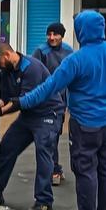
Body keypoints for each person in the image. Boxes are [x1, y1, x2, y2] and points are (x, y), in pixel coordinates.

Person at [4, 10, 106, 210]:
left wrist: (19, 103)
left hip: (85, 123)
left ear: (81, 31)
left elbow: (48, 88)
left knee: (85, 170)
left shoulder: (76, 60)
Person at [0, 43, 63, 210]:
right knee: (7, 147)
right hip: (28, 116)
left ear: (6, 55)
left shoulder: (32, 68)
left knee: (43, 151)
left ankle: (44, 201)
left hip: (48, 113)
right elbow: (5, 98)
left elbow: (25, 100)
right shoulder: (5, 72)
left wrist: (0, 112)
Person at [31, 22, 73, 186]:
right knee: (49, 137)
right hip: (45, 103)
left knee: (55, 136)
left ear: (62, 36)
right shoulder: (41, 51)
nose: (52, 37)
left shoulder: (69, 52)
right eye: (49, 34)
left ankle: (55, 167)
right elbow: (33, 74)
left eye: (55, 34)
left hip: (61, 103)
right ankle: (53, 170)